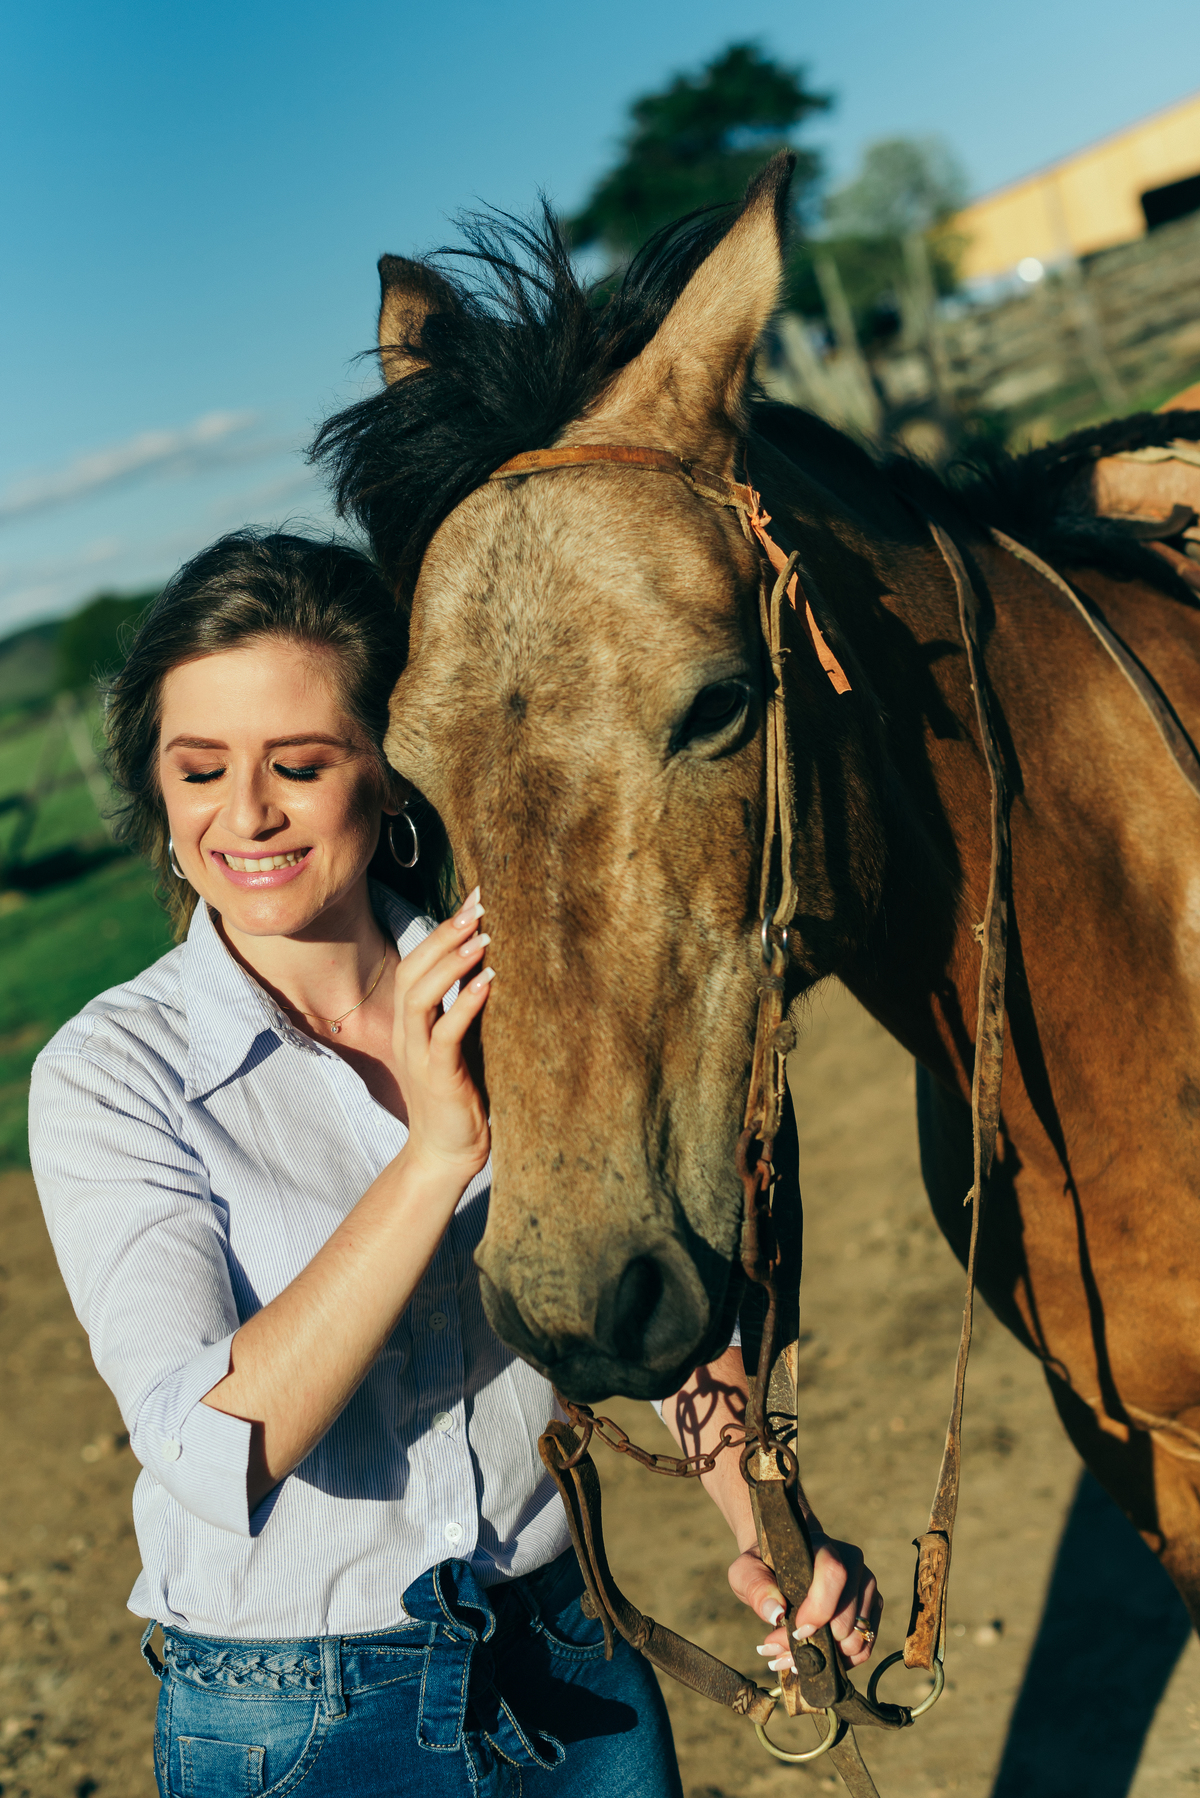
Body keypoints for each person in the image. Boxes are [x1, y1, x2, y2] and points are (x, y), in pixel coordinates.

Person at [29, 529, 881, 1798]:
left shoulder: (522, 1000)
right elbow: (211, 1450)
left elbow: (639, 1296)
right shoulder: (113, 1075)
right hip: (293, 1725)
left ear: (390, 775)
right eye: (199, 768)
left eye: (301, 765)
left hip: (571, 1656)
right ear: (158, 790)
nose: (245, 813)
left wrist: (765, 1528)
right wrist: (437, 1152)